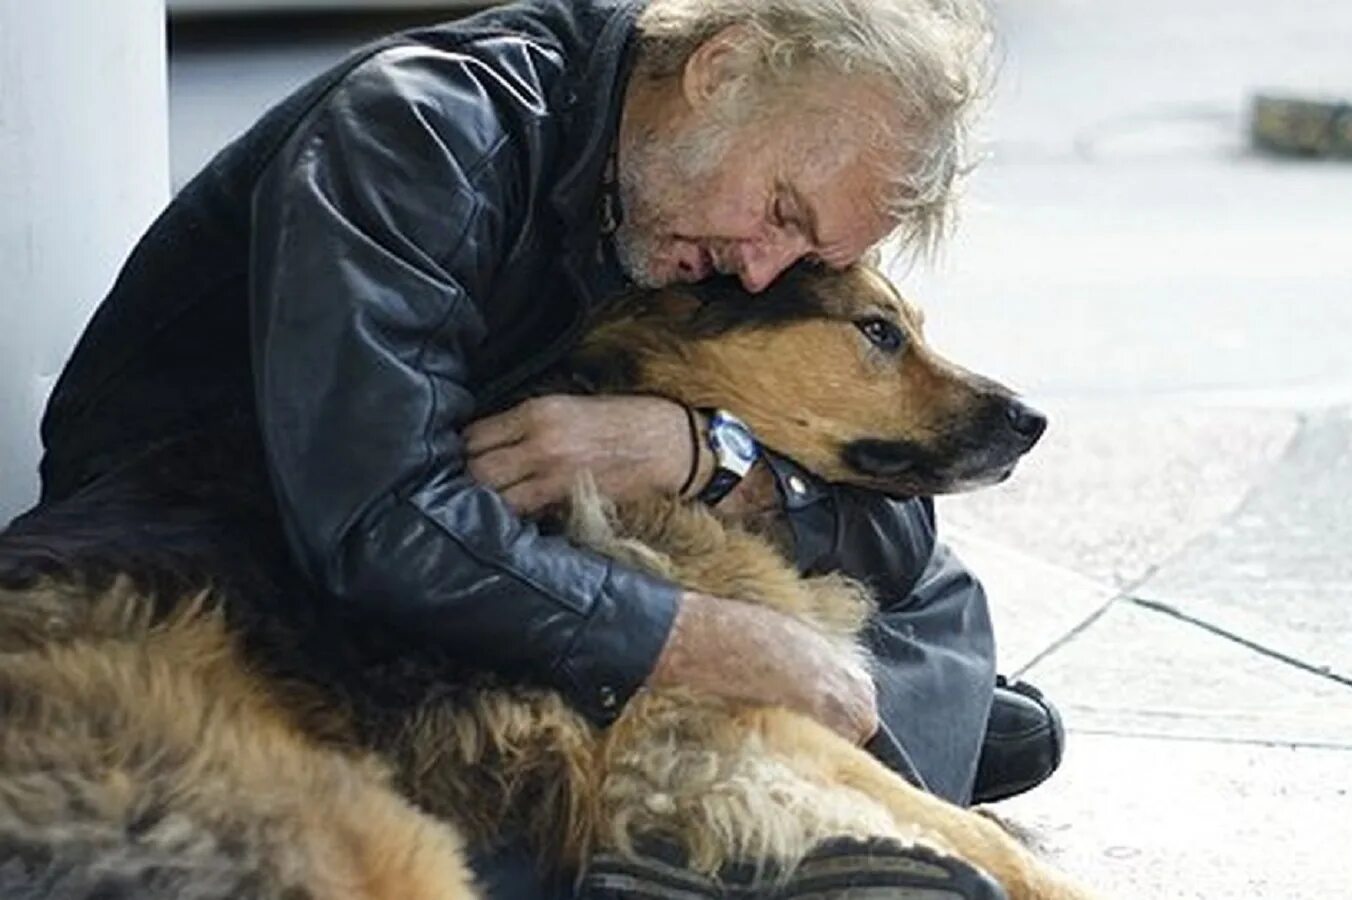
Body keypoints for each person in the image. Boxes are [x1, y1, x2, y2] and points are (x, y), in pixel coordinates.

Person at [11, 0, 1062, 895]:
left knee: (929, 586)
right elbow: (380, 521)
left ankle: (800, 792)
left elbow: (884, 510)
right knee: (645, 705)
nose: (762, 271)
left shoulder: (684, 181)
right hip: (248, 564)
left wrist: (704, 452)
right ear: (719, 67)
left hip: (470, 537)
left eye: (811, 250)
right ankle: (825, 790)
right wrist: (703, 638)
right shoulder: (419, 130)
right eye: (782, 213)